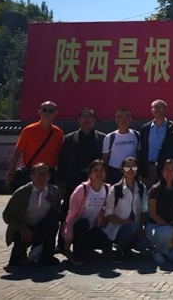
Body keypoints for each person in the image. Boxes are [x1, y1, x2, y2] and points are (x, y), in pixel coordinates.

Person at [56, 107, 105, 250]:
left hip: (94, 182)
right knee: (67, 212)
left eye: (90, 116)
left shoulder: (102, 138)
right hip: (73, 180)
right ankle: (62, 242)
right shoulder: (69, 139)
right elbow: (62, 161)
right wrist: (61, 181)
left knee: (94, 212)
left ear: (94, 120)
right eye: (84, 116)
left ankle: (89, 243)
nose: (87, 119)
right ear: (79, 119)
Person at [3, 163, 61, 267]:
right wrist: (22, 227)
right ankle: (20, 254)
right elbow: (7, 215)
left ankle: (46, 254)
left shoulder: (54, 191)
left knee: (53, 222)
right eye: (38, 174)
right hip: (23, 227)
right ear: (31, 176)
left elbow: (55, 211)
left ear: (49, 176)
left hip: (42, 226)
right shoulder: (22, 192)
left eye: (44, 174)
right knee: (16, 261)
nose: (41, 177)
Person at [62, 160, 112, 266]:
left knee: (106, 243)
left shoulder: (107, 189)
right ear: (90, 173)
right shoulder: (81, 190)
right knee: (83, 223)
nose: (99, 173)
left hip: (94, 227)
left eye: (102, 170)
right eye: (95, 170)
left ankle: (88, 249)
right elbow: (71, 216)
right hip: (78, 228)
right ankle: (77, 254)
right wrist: (68, 238)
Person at [6, 101, 64, 190]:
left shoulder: (58, 133)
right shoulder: (28, 130)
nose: (47, 113)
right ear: (39, 112)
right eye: (44, 110)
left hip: (49, 173)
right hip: (31, 172)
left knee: (48, 198)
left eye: (50, 110)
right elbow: (17, 152)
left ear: (55, 113)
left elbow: (60, 156)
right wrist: (10, 173)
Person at [103, 157, 148, 263]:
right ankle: (119, 252)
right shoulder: (115, 189)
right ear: (122, 170)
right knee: (130, 226)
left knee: (144, 243)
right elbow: (108, 213)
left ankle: (127, 247)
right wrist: (123, 222)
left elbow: (144, 210)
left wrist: (141, 227)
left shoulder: (142, 188)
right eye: (127, 167)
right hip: (118, 228)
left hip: (135, 228)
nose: (131, 170)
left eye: (134, 167)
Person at [146, 159, 173, 264]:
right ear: (162, 171)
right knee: (168, 231)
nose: (170, 172)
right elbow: (153, 214)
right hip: (155, 227)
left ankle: (163, 252)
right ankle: (158, 251)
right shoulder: (155, 189)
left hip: (171, 229)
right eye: (167, 169)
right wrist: (170, 227)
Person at [138, 99, 173, 188]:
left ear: (165, 109)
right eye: (155, 107)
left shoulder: (172, 127)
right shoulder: (146, 128)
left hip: (165, 167)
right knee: (146, 192)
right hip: (148, 167)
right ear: (152, 110)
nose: (157, 110)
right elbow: (142, 149)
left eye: (160, 107)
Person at [102, 108, 140, 184]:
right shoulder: (110, 137)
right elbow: (104, 158)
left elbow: (139, 155)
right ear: (116, 120)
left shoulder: (136, 135)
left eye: (126, 116)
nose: (124, 119)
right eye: (120, 117)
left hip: (131, 172)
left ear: (130, 119)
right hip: (114, 173)